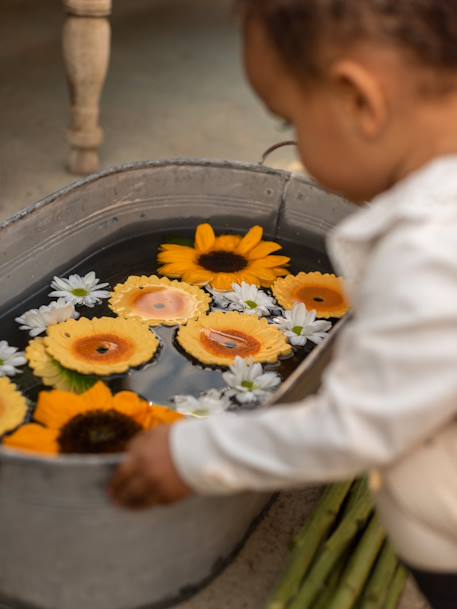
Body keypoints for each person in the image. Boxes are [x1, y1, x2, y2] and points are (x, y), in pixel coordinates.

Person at [110, 2, 457, 607]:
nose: (292, 138)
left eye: (289, 116)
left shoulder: (429, 251)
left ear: (358, 101)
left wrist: (194, 453)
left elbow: (355, 427)